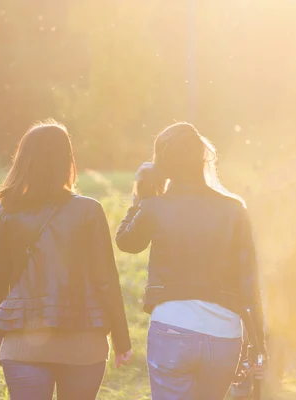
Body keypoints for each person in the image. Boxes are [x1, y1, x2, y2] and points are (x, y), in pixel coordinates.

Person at [115, 122, 266, 400]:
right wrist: (258, 344)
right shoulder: (234, 209)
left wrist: (140, 197)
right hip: (224, 335)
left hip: (172, 329)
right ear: (203, 157)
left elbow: (127, 242)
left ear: (162, 163)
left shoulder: (154, 206)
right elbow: (249, 281)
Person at [0, 121, 133, 400]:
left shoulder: (6, 212)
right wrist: (122, 339)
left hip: (22, 340)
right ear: (67, 161)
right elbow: (106, 279)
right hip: (84, 342)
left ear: (23, 161)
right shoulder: (89, 210)